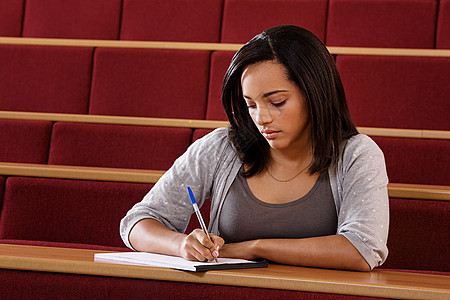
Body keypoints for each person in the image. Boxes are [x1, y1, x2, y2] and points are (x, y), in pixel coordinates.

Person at [120, 25, 389, 271]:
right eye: (251, 105)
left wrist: (255, 247)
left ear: (315, 94)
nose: (261, 118)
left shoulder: (357, 155)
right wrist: (180, 245)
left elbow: (362, 250)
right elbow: (137, 223)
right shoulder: (221, 148)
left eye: (277, 102)